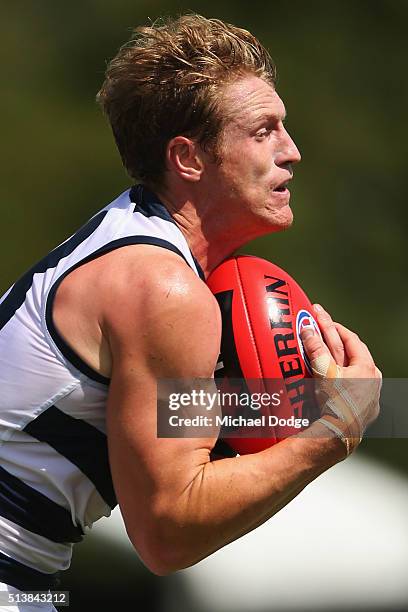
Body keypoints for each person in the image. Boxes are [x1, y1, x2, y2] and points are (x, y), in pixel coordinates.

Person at [0, 14, 381, 610]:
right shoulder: (165, 289)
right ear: (188, 158)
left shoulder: (139, 238)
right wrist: (334, 431)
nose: (293, 152)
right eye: (264, 131)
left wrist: (295, 404)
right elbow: (166, 530)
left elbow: (168, 417)